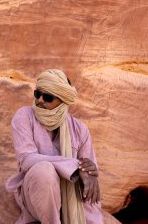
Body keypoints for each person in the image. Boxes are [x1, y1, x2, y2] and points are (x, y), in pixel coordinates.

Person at [6, 69, 104, 224]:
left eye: (48, 97)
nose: (40, 101)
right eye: (37, 94)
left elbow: (89, 181)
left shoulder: (80, 130)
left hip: (68, 202)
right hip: (35, 197)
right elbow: (26, 159)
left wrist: (88, 172)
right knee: (44, 170)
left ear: (63, 100)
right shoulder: (24, 116)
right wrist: (74, 166)